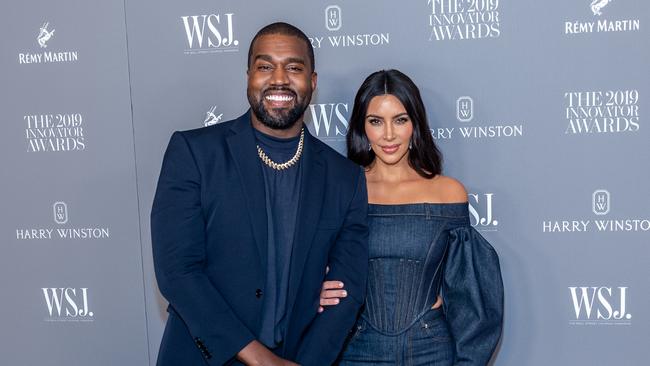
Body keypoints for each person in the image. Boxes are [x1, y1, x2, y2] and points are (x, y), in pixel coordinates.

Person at [151, 22, 369, 366]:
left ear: (312, 81)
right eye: (265, 66)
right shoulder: (195, 154)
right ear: (249, 76)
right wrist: (264, 360)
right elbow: (178, 272)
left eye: (294, 68)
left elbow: (348, 290)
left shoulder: (346, 178)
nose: (279, 79)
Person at [319, 69, 503, 365]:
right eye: (376, 121)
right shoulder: (341, 190)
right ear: (361, 128)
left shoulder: (447, 192)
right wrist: (313, 291)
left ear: (415, 125)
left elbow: (470, 298)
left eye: (400, 120)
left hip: (430, 348)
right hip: (354, 350)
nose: (389, 134)